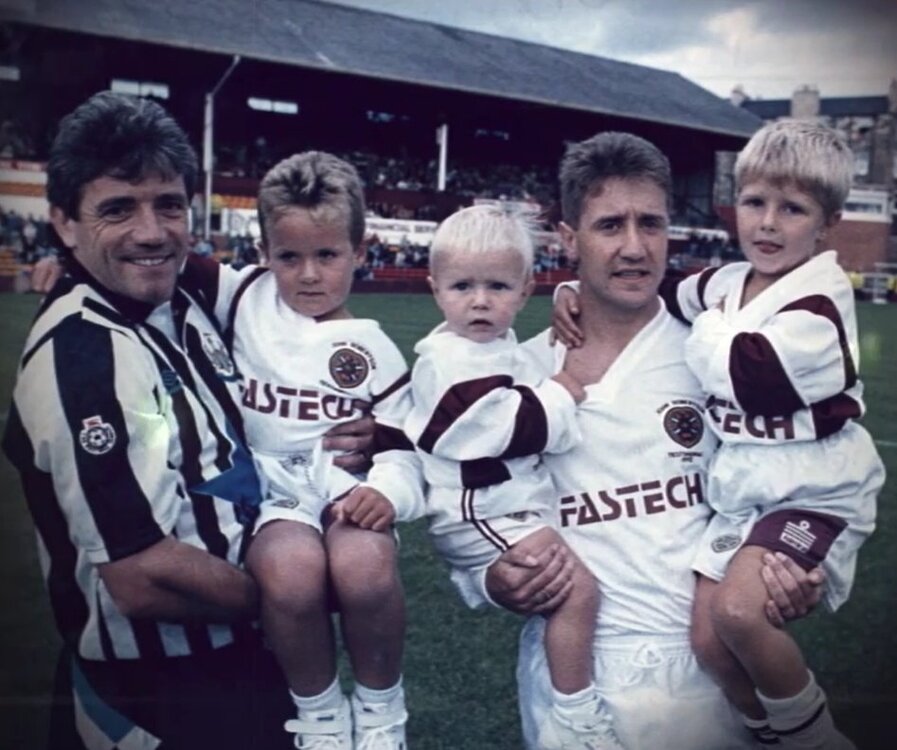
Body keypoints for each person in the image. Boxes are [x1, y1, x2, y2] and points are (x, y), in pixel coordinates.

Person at [2, 92, 372, 750]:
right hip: (161, 692)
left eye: (168, 205)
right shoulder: (80, 354)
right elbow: (142, 577)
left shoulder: (192, 290)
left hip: (250, 662)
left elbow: (304, 301)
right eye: (118, 209)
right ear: (63, 222)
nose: (152, 232)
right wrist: (290, 594)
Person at [480, 131, 826, 750]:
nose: (635, 247)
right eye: (610, 225)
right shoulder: (523, 375)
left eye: (652, 223)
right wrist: (492, 575)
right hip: (579, 680)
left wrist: (793, 568)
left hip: (708, 673)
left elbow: (781, 476)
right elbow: (477, 504)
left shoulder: (717, 353)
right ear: (568, 239)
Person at [663, 120, 883, 749]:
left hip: (814, 487)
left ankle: (815, 738)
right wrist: (576, 292)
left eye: (792, 209)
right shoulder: (728, 283)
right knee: (708, 638)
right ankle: (762, 731)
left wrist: (708, 326)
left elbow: (749, 375)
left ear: (828, 221)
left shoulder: (819, 301)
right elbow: (667, 297)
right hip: (748, 486)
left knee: (738, 611)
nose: (767, 223)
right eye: (756, 202)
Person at [212, 151, 422, 750]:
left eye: (327, 255)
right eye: (289, 257)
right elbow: (163, 265)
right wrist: (67, 271)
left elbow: (403, 447)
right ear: (264, 255)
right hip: (275, 494)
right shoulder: (244, 296)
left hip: (345, 489)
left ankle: (382, 713)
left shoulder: (376, 351)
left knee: (365, 568)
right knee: (291, 574)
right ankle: (321, 716)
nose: (308, 275)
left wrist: (386, 490)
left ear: (360, 250)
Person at [404, 204, 618, 750]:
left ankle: (573, 706)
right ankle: (577, 714)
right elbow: (492, 427)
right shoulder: (446, 357)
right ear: (435, 289)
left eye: (497, 286)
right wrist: (559, 394)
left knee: (578, 587)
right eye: (462, 287)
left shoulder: (498, 349)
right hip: (481, 511)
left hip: (505, 507)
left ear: (525, 291)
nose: (480, 301)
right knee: (578, 591)